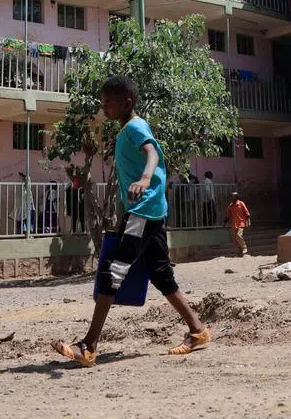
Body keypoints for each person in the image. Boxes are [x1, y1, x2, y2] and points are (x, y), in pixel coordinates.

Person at [52, 75, 209, 366]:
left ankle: (88, 345)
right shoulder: (126, 130)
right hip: (150, 211)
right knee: (160, 273)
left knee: (114, 272)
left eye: (109, 103)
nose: (105, 108)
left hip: (143, 211)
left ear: (127, 102)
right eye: (103, 103)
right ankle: (198, 330)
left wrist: (146, 177)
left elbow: (151, 152)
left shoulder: (136, 127)